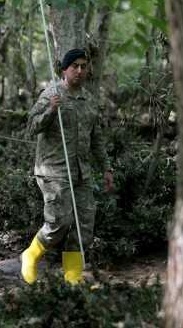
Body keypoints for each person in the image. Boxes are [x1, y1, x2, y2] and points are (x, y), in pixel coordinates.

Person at [21, 48, 113, 285]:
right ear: (65, 70)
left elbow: (97, 138)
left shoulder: (88, 101)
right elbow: (31, 127)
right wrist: (51, 110)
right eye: (75, 67)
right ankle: (30, 255)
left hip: (81, 171)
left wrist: (106, 168)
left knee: (84, 225)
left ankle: (73, 277)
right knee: (59, 222)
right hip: (54, 170)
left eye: (84, 66)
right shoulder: (51, 94)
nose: (80, 71)